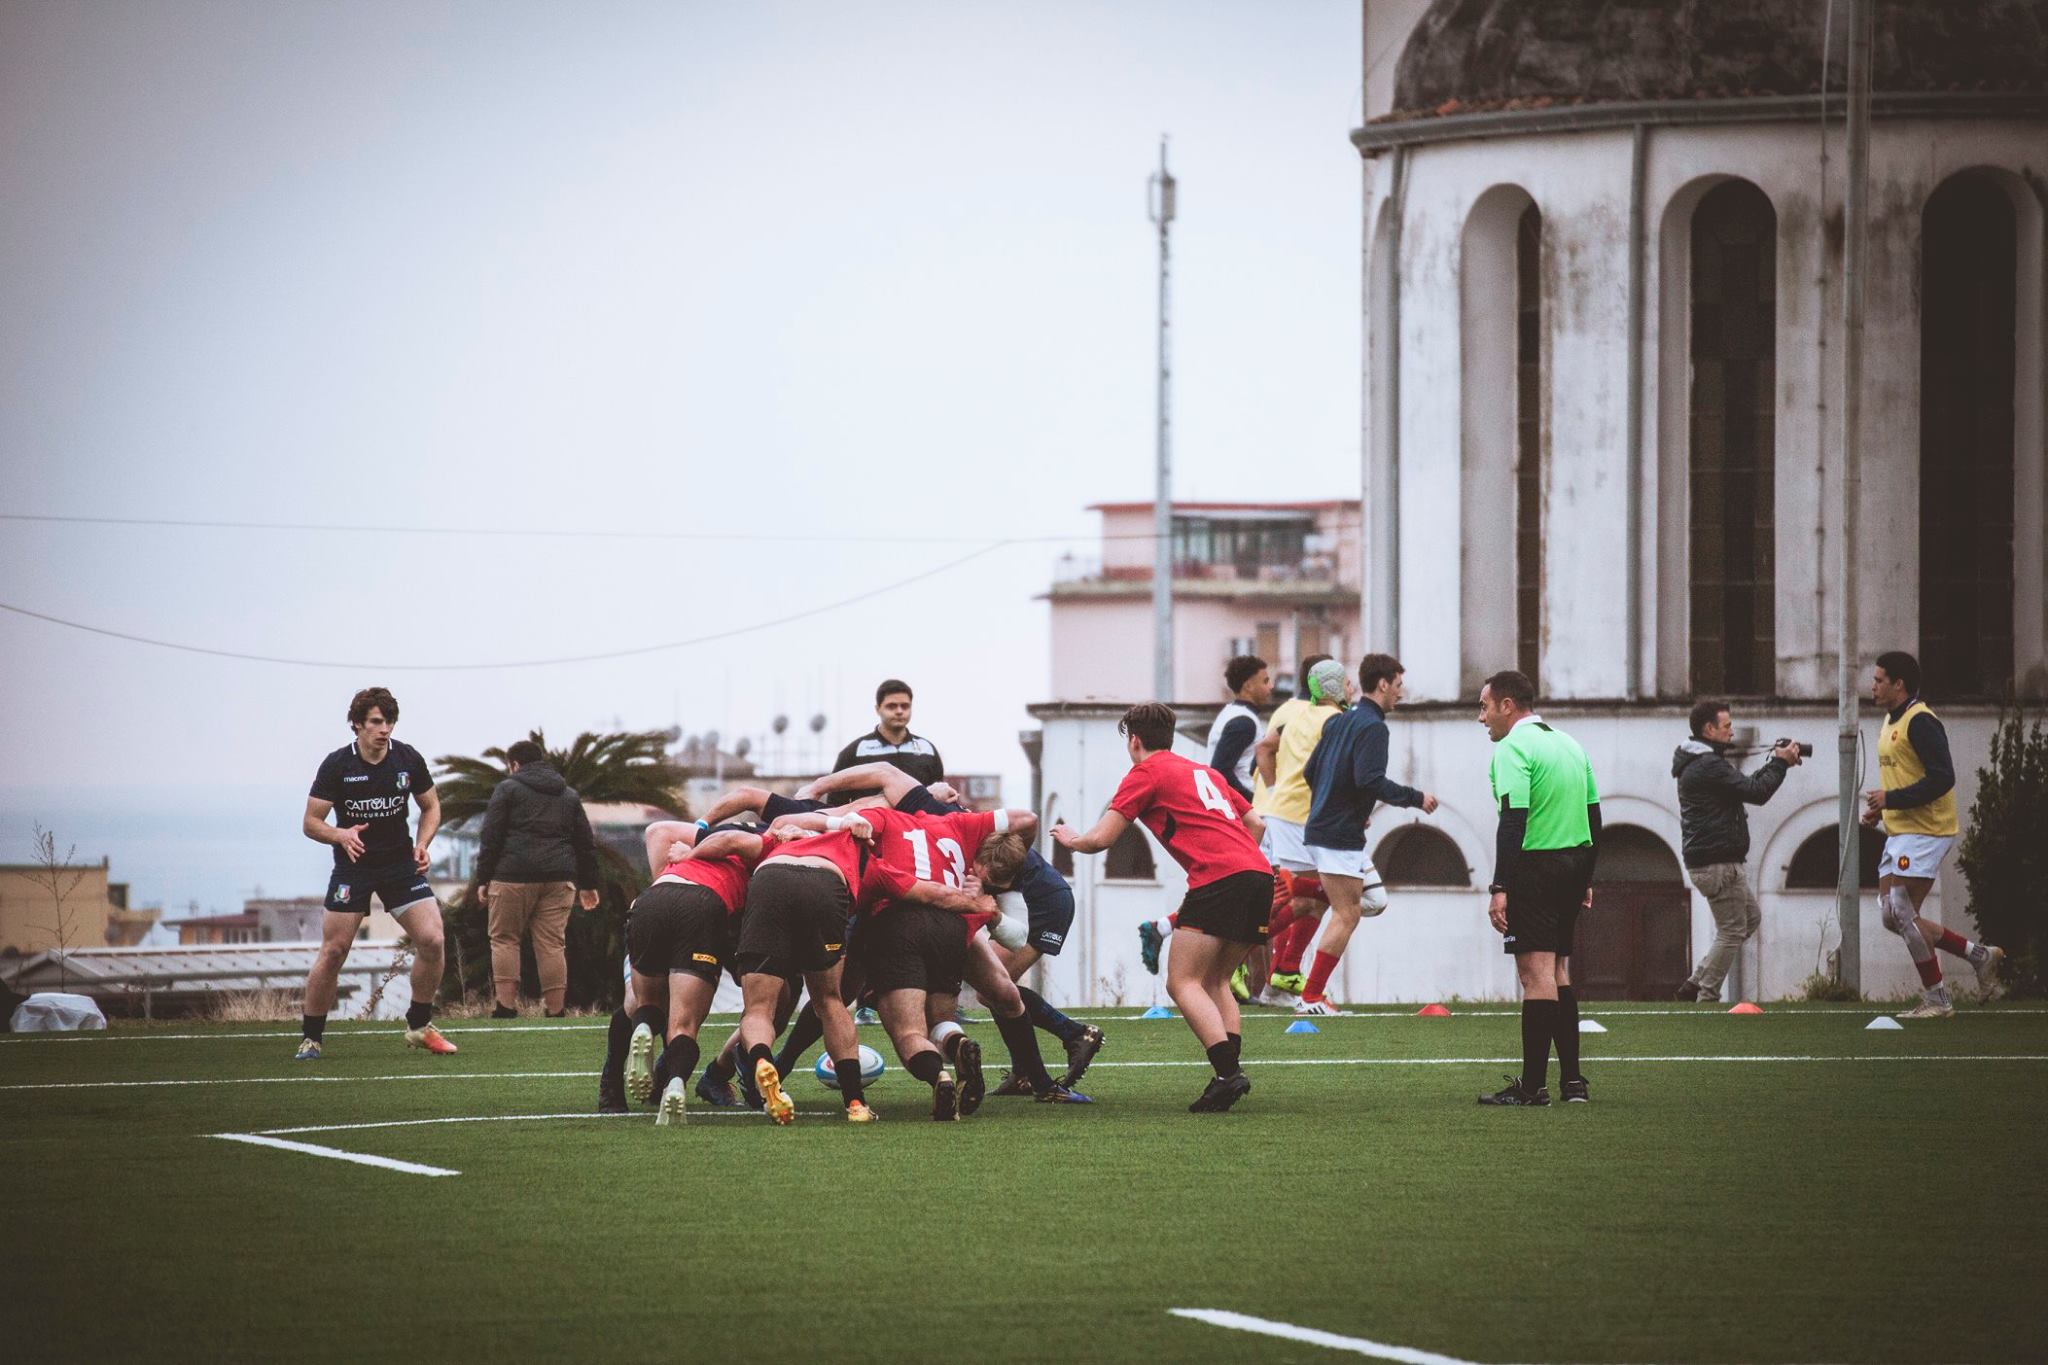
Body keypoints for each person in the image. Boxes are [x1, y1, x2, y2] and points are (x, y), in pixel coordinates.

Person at [799, 762, 1105, 1090]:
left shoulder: (927, 814)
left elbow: (881, 776)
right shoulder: (944, 825)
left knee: (990, 994)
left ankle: (1065, 1041)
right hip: (964, 910)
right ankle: (1028, 1070)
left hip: (1039, 899)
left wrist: (816, 793)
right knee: (987, 996)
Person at [1055, 703, 1272, 1114]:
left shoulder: (1146, 772)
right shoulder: (1205, 772)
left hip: (1219, 879)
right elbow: (1256, 824)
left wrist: (1072, 839)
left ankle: (1228, 1075)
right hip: (1258, 875)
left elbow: (1102, 838)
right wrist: (1240, 865)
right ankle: (1227, 1074)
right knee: (1217, 981)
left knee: (1182, 981)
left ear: (1133, 741)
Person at [294, 686, 454, 1060]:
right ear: (357, 725)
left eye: (390, 722)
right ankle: (311, 1038)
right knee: (334, 951)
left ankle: (418, 1026)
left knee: (432, 939)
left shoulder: (407, 759)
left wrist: (423, 844)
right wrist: (340, 834)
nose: (385, 729)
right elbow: (310, 822)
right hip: (354, 869)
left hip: (400, 865)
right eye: (377, 722)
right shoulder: (337, 765)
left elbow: (431, 808)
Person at [1476, 670, 1600, 1106]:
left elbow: (1514, 820)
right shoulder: (1570, 744)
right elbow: (1594, 815)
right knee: (1558, 972)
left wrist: (1499, 886)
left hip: (1536, 868)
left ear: (1508, 706)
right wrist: (1585, 875)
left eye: (1484, 706)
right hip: (1572, 863)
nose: (1481, 717)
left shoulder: (1513, 748)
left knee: (1535, 975)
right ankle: (1572, 1082)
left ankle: (1532, 1087)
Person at [1862, 651, 2003, 1017]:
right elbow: (1905, 775)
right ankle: (1980, 956)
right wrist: (1882, 809)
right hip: (1902, 830)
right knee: (1892, 916)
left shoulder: (1921, 721)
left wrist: (1890, 798)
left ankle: (1938, 999)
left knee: (1902, 910)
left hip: (1926, 831)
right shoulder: (1890, 719)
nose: (1872, 686)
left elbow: (1943, 777)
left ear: (1899, 684)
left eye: (1879, 680)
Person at [1296, 654, 1438, 1015]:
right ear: (1384, 684)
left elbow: (1312, 772)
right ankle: (1311, 996)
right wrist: (1416, 798)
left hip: (1329, 827)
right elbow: (1370, 780)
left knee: (1372, 901)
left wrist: (1345, 808)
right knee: (1347, 914)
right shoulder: (1374, 727)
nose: (1401, 693)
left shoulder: (1340, 720)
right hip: (1337, 834)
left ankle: (1302, 887)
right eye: (1399, 685)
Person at [619, 819, 764, 1125]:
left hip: (651, 900)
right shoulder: (756, 852)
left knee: (649, 1003)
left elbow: (657, 830)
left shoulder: (692, 850)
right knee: (684, 1024)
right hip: (702, 905)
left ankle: (643, 1028)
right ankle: (675, 1084)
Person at [1671, 703, 1801, 1003]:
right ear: (1709, 730)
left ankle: (1696, 980)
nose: (1731, 730)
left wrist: (1775, 762)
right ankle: (1706, 995)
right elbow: (1756, 792)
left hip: (1716, 861)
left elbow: (1746, 785)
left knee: (1750, 918)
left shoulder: (1702, 762)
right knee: (1731, 930)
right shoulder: (1707, 765)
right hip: (1717, 864)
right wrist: (1780, 764)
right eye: (1727, 725)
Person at [474, 739, 601, 1019]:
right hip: (559, 879)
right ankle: (556, 1011)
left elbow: (490, 836)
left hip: (512, 877)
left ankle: (505, 1007)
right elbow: (585, 842)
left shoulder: (507, 789)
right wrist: (589, 884)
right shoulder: (568, 795)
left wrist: (482, 879)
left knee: (505, 939)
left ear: (514, 765)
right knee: (552, 943)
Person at [1251, 653, 1337, 1003]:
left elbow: (1266, 750)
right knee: (1308, 895)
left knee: (1312, 897)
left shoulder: (1291, 710)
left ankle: (1281, 973)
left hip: (1286, 814)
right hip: (1290, 817)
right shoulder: (1306, 714)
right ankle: (1238, 958)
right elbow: (1264, 749)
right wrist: (1274, 792)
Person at [1206, 654, 1273, 1002]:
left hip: (1243, 816)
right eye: (1265, 679)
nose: (1270, 686)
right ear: (1248, 684)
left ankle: (1254, 979)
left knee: (1257, 898)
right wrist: (1253, 802)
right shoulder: (1243, 722)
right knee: (1262, 896)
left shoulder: (1237, 716)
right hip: (1246, 819)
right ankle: (1237, 971)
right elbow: (1220, 772)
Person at [828, 678, 945, 804]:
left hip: (918, 822)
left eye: (905, 706)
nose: (899, 711)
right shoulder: (856, 751)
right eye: (891, 706)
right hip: (870, 822)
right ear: (878, 709)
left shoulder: (927, 749)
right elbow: (835, 802)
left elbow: (939, 798)